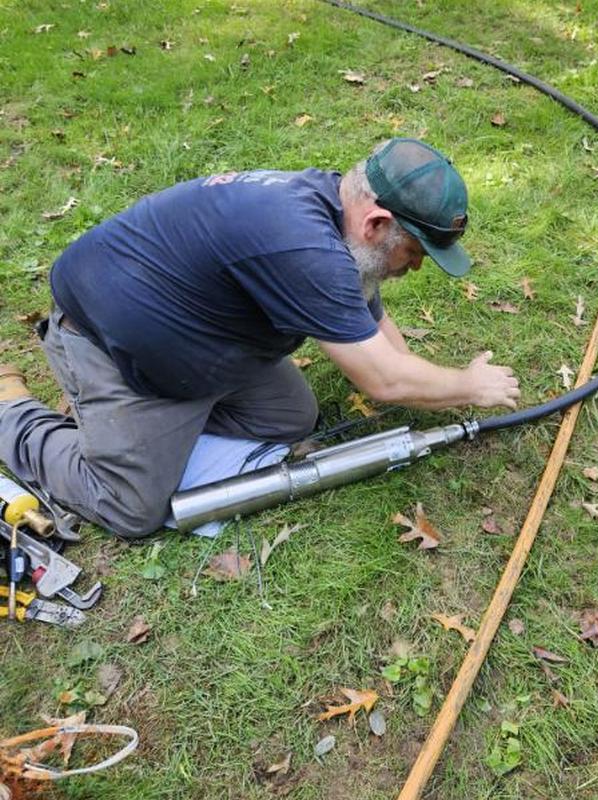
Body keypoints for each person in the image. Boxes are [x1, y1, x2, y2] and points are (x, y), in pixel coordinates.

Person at [0, 138, 519, 538]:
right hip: (114, 344)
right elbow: (382, 379)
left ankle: (134, 429)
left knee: (289, 419)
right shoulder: (304, 250)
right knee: (131, 507)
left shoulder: (334, 212)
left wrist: (422, 379)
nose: (417, 266)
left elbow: (369, 319)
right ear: (378, 223)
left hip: (197, 338)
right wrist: (468, 387)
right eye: (416, 252)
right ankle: (16, 411)